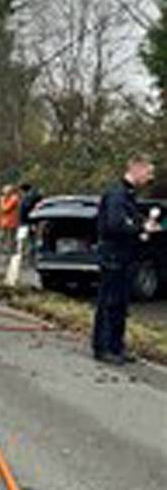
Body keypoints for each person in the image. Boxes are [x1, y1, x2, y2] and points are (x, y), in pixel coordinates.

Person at [92, 154, 156, 365]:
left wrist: (142, 226)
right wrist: (140, 228)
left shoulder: (128, 195)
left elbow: (129, 220)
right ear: (136, 168)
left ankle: (116, 346)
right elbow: (115, 224)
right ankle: (103, 347)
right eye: (148, 172)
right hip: (113, 256)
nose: (150, 177)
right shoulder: (117, 194)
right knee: (109, 303)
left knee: (121, 304)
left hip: (125, 256)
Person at [0, 184, 20, 262]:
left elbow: (5, 208)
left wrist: (2, 201)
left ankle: (10, 257)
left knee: (10, 240)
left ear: (10, 191)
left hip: (11, 222)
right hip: (4, 222)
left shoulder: (14, 198)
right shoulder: (7, 197)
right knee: (0, 237)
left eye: (5, 191)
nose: (3, 192)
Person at [17, 182, 43, 265]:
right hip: (29, 222)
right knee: (29, 241)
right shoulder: (33, 196)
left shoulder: (28, 198)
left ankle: (26, 259)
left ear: (23, 190)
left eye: (20, 191)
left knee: (25, 241)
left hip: (27, 223)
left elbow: (27, 210)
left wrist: (32, 223)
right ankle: (28, 259)